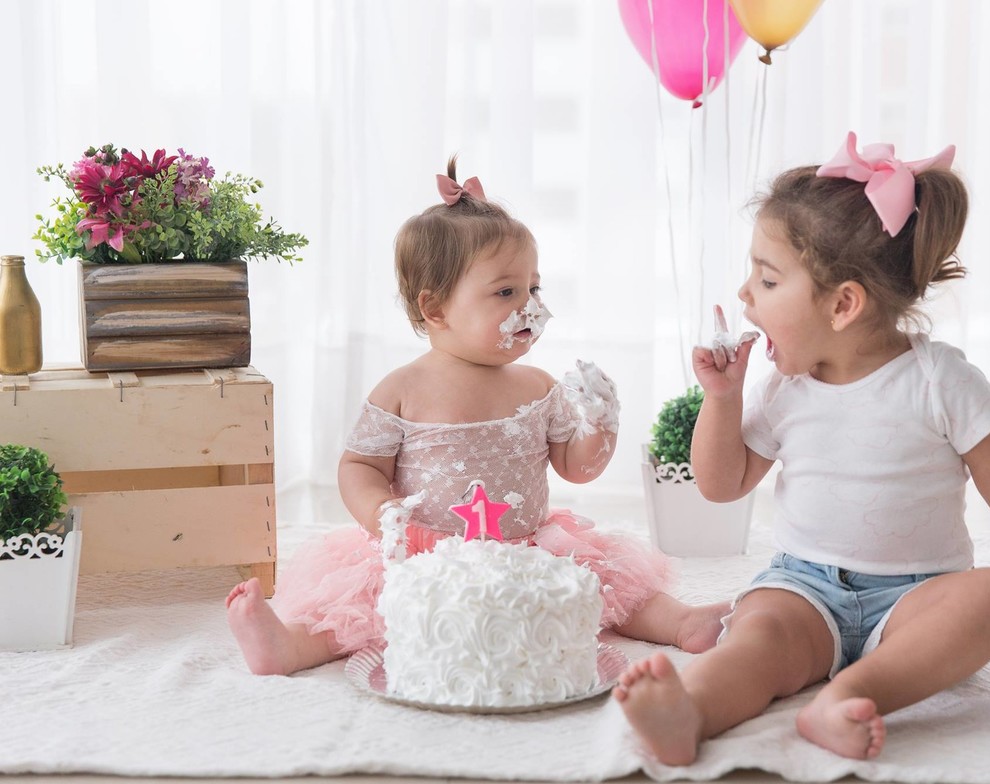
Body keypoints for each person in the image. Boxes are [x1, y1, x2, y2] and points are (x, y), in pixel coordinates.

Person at [614, 132, 990, 764]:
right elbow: (720, 485)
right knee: (756, 644)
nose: (745, 295)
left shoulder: (939, 381)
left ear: (842, 304)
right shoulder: (785, 389)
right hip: (802, 587)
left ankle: (851, 696)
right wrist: (723, 401)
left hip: (918, 597)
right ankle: (689, 711)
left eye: (768, 278)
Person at [226, 158, 728, 676]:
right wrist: (383, 512)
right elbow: (359, 467)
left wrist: (599, 423)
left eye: (535, 288)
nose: (531, 307)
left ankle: (683, 622)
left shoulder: (537, 387)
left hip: (526, 549)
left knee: (605, 582)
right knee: (368, 605)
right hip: (423, 553)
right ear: (436, 308)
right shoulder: (402, 389)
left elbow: (577, 469)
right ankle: (288, 645)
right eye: (506, 292)